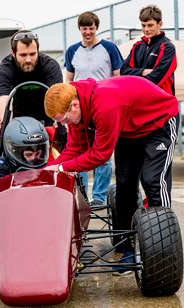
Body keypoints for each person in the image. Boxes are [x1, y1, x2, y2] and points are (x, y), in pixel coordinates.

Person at [43, 76, 179, 275]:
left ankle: (161, 247)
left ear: (74, 105)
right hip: (128, 128)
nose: (64, 124)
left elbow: (100, 155)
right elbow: (74, 150)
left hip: (159, 122)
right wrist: (48, 170)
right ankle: (128, 248)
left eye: (64, 119)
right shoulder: (75, 108)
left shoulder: (105, 106)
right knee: (124, 184)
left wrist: (62, 168)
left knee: (152, 181)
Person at [64, 11, 123, 206]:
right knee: (81, 152)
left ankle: (98, 196)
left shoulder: (109, 48)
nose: (88, 32)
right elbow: (68, 80)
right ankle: (82, 195)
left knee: (103, 155)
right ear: (79, 29)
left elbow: (118, 76)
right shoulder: (72, 50)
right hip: (80, 110)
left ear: (96, 28)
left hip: (103, 108)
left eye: (91, 28)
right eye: (84, 28)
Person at [0, 30, 63, 127]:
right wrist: (6, 123)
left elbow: (57, 96)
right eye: (23, 55)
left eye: (32, 54)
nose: (28, 60)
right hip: (17, 121)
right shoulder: (5, 70)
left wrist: (59, 120)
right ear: (13, 53)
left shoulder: (50, 66)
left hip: (47, 120)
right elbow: (5, 99)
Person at [0, 117, 49, 201]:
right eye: (28, 155)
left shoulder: (49, 166)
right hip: (11, 209)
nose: (34, 158)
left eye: (38, 154)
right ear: (13, 150)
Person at [120, 5, 176, 95]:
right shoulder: (137, 46)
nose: (146, 29)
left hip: (161, 104)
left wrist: (133, 79)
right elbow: (123, 71)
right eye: (143, 25)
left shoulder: (167, 48)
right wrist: (143, 71)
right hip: (139, 102)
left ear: (160, 24)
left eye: (150, 25)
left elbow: (156, 78)